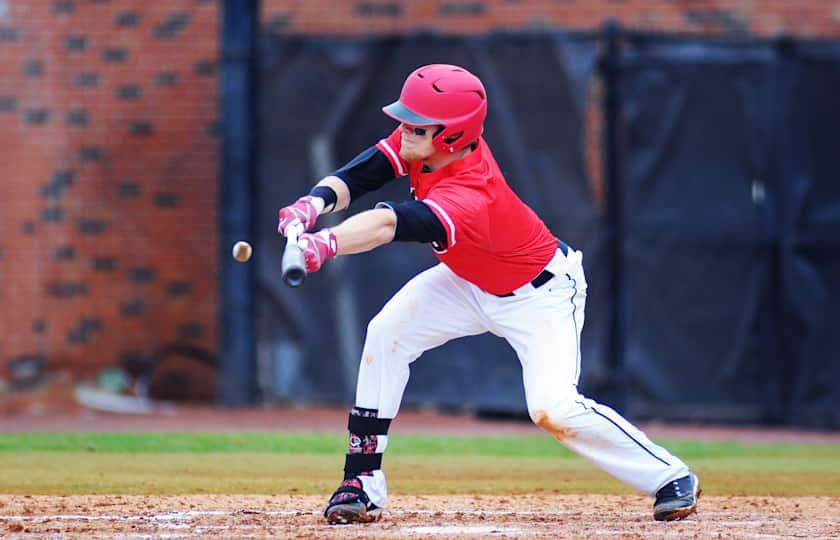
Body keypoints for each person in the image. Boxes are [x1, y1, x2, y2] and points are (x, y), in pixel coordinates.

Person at [277, 64, 700, 525]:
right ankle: (361, 480)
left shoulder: (470, 191)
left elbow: (388, 224)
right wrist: (313, 203)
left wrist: (326, 243)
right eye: (406, 120)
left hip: (539, 294)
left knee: (553, 408)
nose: (404, 129)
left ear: (452, 135)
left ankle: (669, 476)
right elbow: (365, 173)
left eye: (417, 124)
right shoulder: (424, 145)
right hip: (467, 280)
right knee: (386, 333)